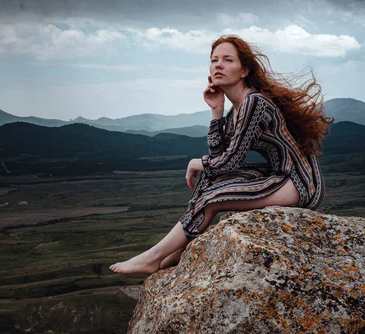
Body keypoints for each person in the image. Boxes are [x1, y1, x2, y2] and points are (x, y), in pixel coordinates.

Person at [109, 34, 333, 275]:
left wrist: (197, 162)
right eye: (214, 60)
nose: (218, 65)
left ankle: (152, 257)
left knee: (211, 199)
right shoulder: (236, 110)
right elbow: (219, 156)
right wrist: (217, 111)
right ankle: (180, 246)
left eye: (227, 60)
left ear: (244, 70)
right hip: (277, 175)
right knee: (209, 179)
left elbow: (229, 161)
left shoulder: (254, 103)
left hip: (300, 181)